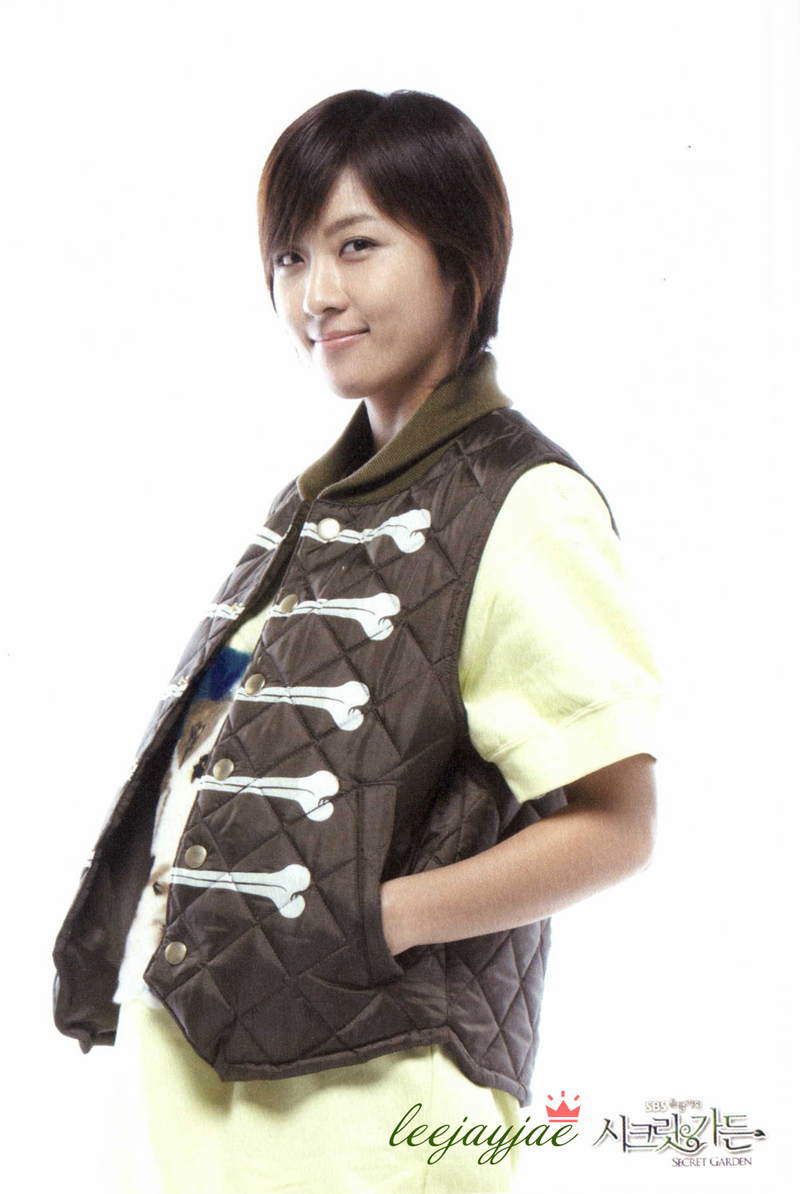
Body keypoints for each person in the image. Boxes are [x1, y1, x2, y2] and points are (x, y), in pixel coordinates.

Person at [52, 88, 662, 1193]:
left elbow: (617, 827)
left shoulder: (525, 502)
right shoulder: (306, 509)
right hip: (177, 1078)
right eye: (291, 257)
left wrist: (372, 919)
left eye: (357, 246)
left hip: (368, 1097)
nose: (315, 294)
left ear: (459, 258)